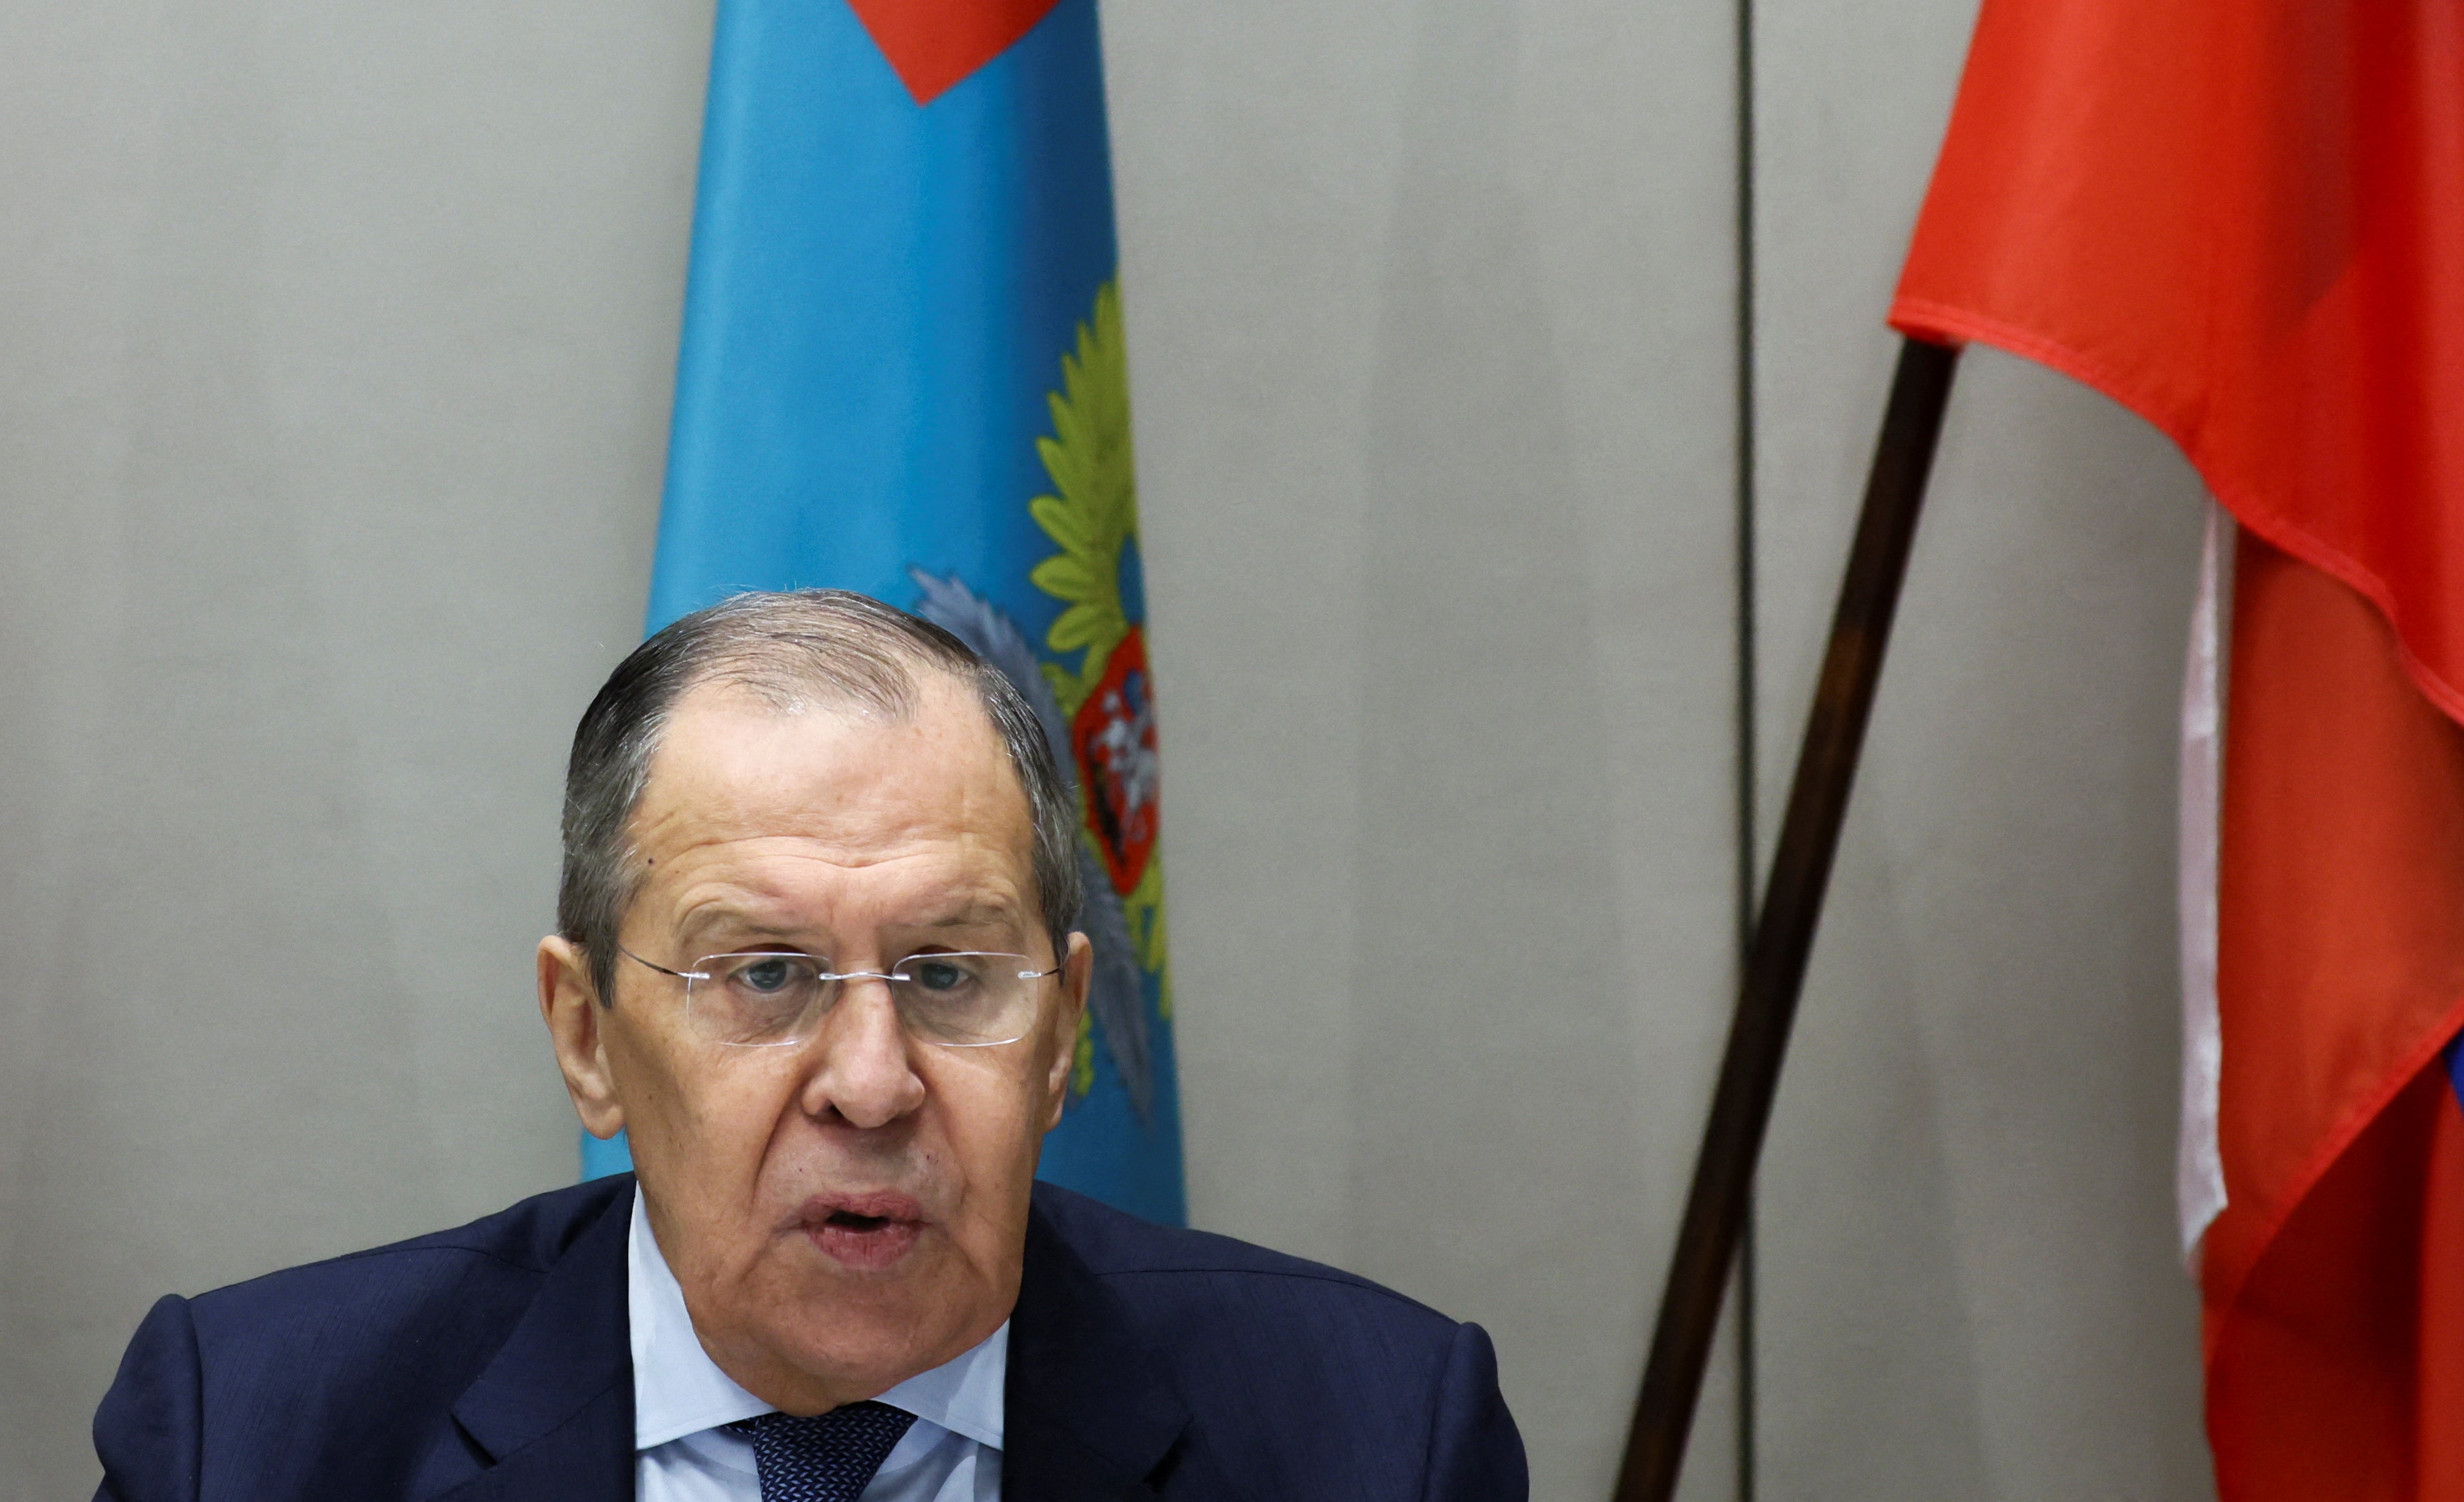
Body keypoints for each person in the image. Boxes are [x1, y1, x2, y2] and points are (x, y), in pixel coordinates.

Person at [92, 589, 1528, 1500]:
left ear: (1063, 1033)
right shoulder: (256, 1439)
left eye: (951, 973)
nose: (869, 1079)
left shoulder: (1375, 1437)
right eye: (764, 973)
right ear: (584, 1033)